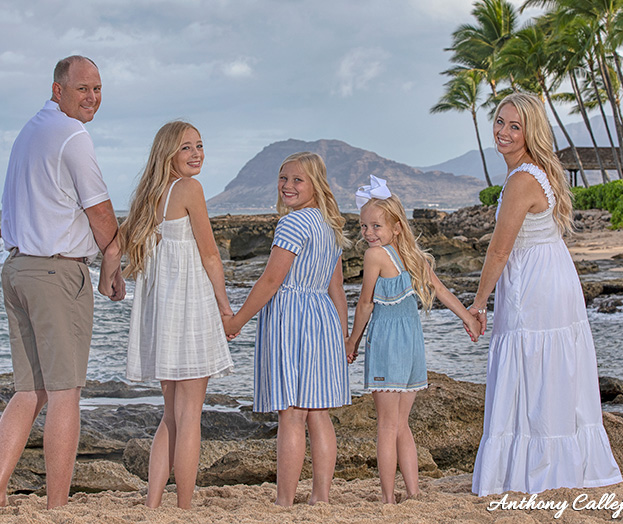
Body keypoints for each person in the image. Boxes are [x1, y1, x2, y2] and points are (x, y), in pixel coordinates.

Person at [0, 55, 126, 510]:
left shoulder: (30, 131)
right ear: (57, 89)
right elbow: (100, 211)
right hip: (54, 272)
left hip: (18, 268)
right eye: (83, 88)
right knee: (65, 393)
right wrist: (113, 261)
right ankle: (57, 508)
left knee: (31, 390)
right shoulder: (71, 135)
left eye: (98, 89)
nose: (92, 97)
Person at [469, 92, 623, 496]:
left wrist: (479, 303)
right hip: (552, 272)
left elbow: (499, 250)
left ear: (530, 132)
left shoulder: (522, 179)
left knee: (534, 368)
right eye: (500, 121)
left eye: (514, 126)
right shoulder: (537, 171)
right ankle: (560, 466)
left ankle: (540, 471)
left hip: (534, 283)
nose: (503, 132)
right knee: (551, 369)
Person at [223, 152, 351, 507]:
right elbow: (336, 288)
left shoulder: (293, 224)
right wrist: (342, 334)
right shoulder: (328, 225)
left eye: (297, 180)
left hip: (293, 318)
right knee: (318, 412)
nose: (287, 186)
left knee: (292, 413)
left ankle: (284, 501)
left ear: (316, 184)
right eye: (283, 178)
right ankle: (321, 497)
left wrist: (236, 320)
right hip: (323, 320)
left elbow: (271, 281)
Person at [345, 176, 482, 504]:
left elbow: (365, 304)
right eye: (363, 226)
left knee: (386, 426)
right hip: (412, 345)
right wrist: (468, 318)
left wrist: (352, 341)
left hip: (387, 344)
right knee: (401, 425)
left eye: (376, 226)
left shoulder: (375, 256)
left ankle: (388, 498)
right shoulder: (413, 256)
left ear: (396, 227)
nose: (368, 233)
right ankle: (414, 492)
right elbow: (442, 291)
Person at [119, 121, 234, 509]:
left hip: (163, 315)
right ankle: (184, 506)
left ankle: (153, 504)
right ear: (168, 152)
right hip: (190, 308)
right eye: (186, 147)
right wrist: (225, 306)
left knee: (170, 415)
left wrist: (109, 274)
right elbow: (210, 254)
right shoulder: (188, 189)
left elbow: (120, 246)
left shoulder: (148, 197)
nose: (197, 153)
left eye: (199, 145)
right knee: (189, 417)